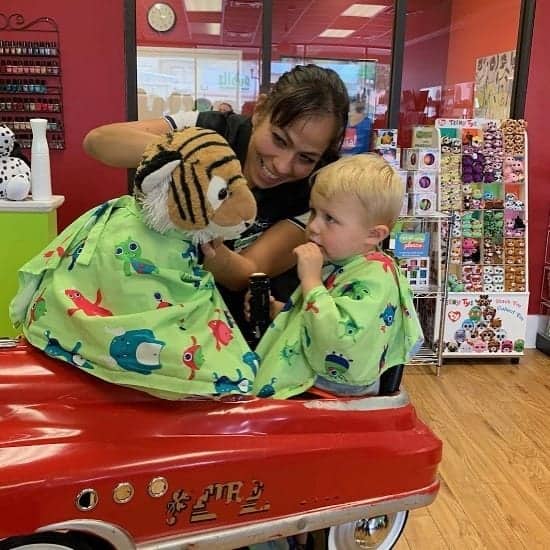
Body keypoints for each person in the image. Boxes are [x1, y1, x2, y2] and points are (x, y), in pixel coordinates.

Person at [83, 64, 350, 340]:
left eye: (305, 158)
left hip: (225, 332)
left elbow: (244, 273)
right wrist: (197, 161)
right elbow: (99, 141)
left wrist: (206, 236)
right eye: (279, 139)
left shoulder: (315, 190)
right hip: (141, 302)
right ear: (259, 112)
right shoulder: (211, 128)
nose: (283, 166)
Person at [251, 153, 424, 399]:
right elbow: (320, 318)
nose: (313, 226)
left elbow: (338, 340)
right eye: (314, 212)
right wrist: (279, 311)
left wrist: (310, 282)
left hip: (330, 392)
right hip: (317, 383)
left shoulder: (376, 278)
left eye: (330, 218)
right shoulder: (343, 262)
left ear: (373, 235)